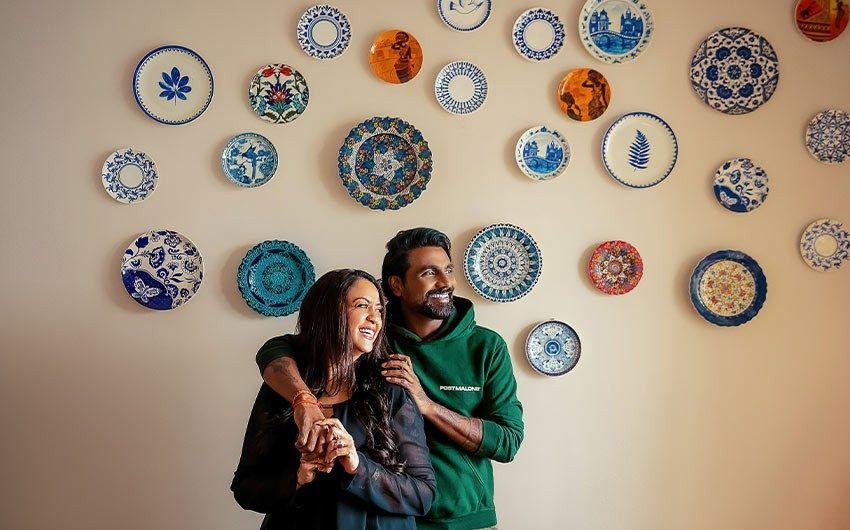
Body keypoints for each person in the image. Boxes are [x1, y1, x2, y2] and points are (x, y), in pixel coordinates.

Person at [257, 228, 524, 530]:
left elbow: (508, 442)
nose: (446, 282)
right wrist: (303, 401)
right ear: (396, 285)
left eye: (448, 270)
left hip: (463, 519)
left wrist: (427, 405)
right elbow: (277, 349)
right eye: (429, 272)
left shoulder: (486, 347)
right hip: (385, 515)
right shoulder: (371, 340)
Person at [232, 269, 436, 529]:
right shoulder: (283, 389)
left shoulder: (391, 392)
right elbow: (245, 488)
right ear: (329, 313)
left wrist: (357, 464)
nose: (375, 319)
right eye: (362, 306)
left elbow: (423, 495)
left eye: (379, 310)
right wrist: (297, 476)